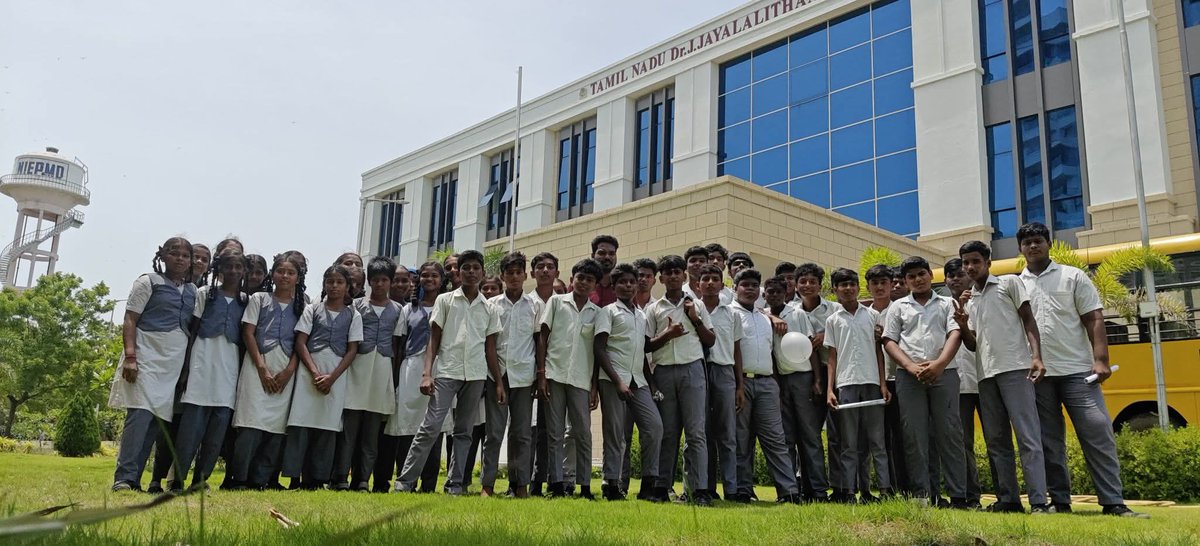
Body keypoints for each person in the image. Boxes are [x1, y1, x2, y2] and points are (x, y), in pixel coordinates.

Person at [1015, 222, 1148, 518]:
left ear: (1049, 244)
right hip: (1038, 376)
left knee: (1097, 431)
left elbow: (1094, 318)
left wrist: (1101, 360)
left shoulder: (1072, 276)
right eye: (1027, 242)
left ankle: (1113, 502)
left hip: (1078, 372)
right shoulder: (1016, 284)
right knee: (1049, 441)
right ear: (1020, 249)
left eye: (1038, 240)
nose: (1033, 246)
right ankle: (1060, 501)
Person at [394, 250, 503, 495]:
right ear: (459, 272)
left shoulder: (489, 308)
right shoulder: (445, 300)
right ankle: (405, 481)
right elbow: (433, 339)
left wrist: (497, 382)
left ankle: (455, 484)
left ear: (482, 272)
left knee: (464, 432)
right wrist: (427, 373)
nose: (471, 272)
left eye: (476, 268)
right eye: (466, 268)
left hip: (475, 375)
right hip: (446, 371)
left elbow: (490, 348)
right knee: (431, 426)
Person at [957, 240, 1051, 514]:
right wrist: (962, 325)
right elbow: (972, 344)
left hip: (1015, 369)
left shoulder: (1009, 283)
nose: (970, 267)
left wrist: (1036, 356)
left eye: (976, 261)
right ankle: (1009, 500)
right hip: (985, 375)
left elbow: (1028, 320)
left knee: (1027, 437)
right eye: (966, 263)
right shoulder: (969, 300)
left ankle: (1038, 501)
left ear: (988, 262)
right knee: (996, 440)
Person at [110, 238, 197, 492]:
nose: (180, 258)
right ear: (163, 256)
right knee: (139, 415)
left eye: (185, 255)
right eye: (174, 253)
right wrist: (131, 357)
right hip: (146, 355)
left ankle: (134, 480)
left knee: (155, 422)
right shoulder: (148, 282)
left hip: (171, 364)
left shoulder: (192, 291)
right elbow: (130, 318)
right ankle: (123, 477)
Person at [882, 256, 969, 509]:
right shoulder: (898, 307)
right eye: (911, 277)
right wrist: (909, 366)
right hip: (909, 377)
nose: (917, 280)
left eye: (921, 274)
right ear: (905, 281)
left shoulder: (947, 303)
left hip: (944, 373)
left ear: (931, 275)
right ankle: (923, 495)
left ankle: (958, 495)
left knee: (950, 433)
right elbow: (889, 340)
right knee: (914, 436)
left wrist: (939, 364)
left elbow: (955, 333)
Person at [228, 251, 307, 490]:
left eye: (291, 272)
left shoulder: (303, 305)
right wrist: (261, 368)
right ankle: (240, 478)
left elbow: (303, 341)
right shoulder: (259, 299)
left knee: (275, 427)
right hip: (257, 365)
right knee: (250, 423)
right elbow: (248, 333)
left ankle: (260, 479)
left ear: (298, 277)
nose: (285, 276)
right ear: (273, 274)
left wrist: (289, 370)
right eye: (280, 271)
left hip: (286, 368)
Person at [171, 249, 248, 492]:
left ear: (244, 271)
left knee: (216, 432)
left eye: (238, 267)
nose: (233, 271)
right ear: (219, 269)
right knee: (190, 431)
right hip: (201, 366)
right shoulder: (206, 293)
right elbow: (193, 331)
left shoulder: (245, 301)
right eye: (228, 266)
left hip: (228, 371)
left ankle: (200, 480)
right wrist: (186, 369)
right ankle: (177, 480)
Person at [282, 265, 363, 489]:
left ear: (347, 286)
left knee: (327, 425)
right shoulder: (312, 309)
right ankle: (295, 477)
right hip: (309, 372)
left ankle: (317, 478)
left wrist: (331, 378)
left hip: (336, 374)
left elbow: (352, 350)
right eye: (330, 281)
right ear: (324, 284)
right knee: (301, 422)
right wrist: (316, 373)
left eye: (339, 282)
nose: (334, 286)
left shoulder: (353, 315)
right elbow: (301, 342)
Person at [645, 254, 716, 505]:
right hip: (664, 371)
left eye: (677, 272)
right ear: (661, 279)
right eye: (668, 272)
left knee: (696, 432)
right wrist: (668, 334)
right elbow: (646, 345)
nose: (673, 276)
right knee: (668, 433)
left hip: (692, 370)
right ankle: (662, 488)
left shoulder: (696, 305)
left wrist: (694, 318)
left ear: (684, 276)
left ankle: (699, 490)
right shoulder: (654, 309)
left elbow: (710, 340)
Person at [594, 263, 666, 501]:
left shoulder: (641, 315)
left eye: (631, 282)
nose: (628, 285)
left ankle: (648, 486)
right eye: (622, 282)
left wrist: (651, 383)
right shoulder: (608, 312)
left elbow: (642, 350)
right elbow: (599, 348)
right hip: (613, 379)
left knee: (654, 427)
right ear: (614, 286)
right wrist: (617, 382)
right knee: (615, 433)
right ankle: (611, 485)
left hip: (638, 380)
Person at [730, 269, 802, 504]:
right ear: (735, 288)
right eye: (745, 285)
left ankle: (789, 492)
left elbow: (773, 352)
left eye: (754, 285)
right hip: (741, 382)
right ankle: (743, 490)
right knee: (742, 439)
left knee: (775, 439)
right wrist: (738, 385)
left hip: (767, 383)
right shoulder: (730, 313)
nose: (750, 289)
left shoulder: (764, 317)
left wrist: (775, 385)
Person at [334, 256, 405, 491]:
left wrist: (395, 378)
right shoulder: (356, 306)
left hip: (382, 372)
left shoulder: (398, 310)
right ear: (369, 281)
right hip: (357, 369)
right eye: (375, 280)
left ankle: (363, 479)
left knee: (371, 434)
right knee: (349, 430)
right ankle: (341, 477)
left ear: (391, 281)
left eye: (384, 280)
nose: (380, 284)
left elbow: (397, 345)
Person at [537, 258, 605, 499]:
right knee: (555, 433)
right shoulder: (556, 302)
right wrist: (541, 374)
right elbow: (543, 337)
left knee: (582, 433)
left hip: (581, 379)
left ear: (595, 285)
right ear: (572, 279)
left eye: (589, 280)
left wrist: (594, 386)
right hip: (554, 375)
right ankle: (556, 484)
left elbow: (597, 351)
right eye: (580, 278)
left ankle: (584, 486)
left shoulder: (597, 313)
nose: (584, 283)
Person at [377, 261, 447, 493]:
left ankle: (428, 484)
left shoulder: (448, 306)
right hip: (411, 370)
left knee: (434, 428)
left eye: (434, 275)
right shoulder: (408, 310)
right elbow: (398, 345)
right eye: (425, 275)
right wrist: (396, 376)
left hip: (439, 369)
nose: (429, 279)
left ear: (442, 280)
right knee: (407, 427)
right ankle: (406, 481)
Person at [824, 268, 892, 503]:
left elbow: (879, 352)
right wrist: (830, 389)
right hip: (846, 384)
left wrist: (883, 384)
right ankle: (849, 492)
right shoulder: (833, 320)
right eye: (843, 285)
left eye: (852, 284)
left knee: (877, 441)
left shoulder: (872, 316)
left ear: (858, 287)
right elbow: (832, 357)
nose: (848, 288)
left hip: (872, 383)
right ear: (835, 289)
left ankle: (883, 490)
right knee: (849, 443)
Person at [483, 251, 542, 498]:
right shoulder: (492, 305)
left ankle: (520, 485)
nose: (515, 277)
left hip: (524, 376)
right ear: (503, 276)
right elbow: (489, 344)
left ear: (525, 275)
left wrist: (540, 375)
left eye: (519, 272)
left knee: (521, 433)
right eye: (510, 273)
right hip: (497, 374)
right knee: (494, 433)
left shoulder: (535, 305)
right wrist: (498, 381)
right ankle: (487, 485)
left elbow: (539, 341)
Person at [766, 275, 826, 501]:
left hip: (803, 377)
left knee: (809, 435)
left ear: (786, 293)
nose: (774, 295)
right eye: (770, 292)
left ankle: (817, 490)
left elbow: (810, 347)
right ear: (765, 295)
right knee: (786, 437)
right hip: (781, 380)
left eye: (778, 292)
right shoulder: (764, 316)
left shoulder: (797, 314)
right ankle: (791, 490)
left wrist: (817, 379)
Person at [796, 262, 846, 494]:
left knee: (838, 433)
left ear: (820, 285)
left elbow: (847, 329)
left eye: (812, 282)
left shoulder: (835, 309)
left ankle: (840, 486)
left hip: (835, 373)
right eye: (803, 281)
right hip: (806, 376)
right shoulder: (792, 311)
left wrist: (826, 334)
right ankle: (811, 487)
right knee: (809, 433)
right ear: (796, 285)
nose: (807, 285)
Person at [697, 264, 743, 499]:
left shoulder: (731, 313)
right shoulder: (691, 309)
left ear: (722, 284)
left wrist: (740, 385)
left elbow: (737, 349)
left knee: (727, 433)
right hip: (698, 370)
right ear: (698, 284)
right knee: (701, 433)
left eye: (715, 279)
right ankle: (704, 487)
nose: (710, 283)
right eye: (705, 279)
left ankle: (731, 489)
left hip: (725, 372)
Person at [944, 258, 984, 510]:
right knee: (961, 443)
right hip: (956, 387)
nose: (956, 279)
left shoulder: (981, 300)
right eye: (951, 276)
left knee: (996, 440)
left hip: (985, 379)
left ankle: (1007, 497)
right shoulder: (941, 306)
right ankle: (970, 496)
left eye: (960, 274)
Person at [866, 264, 907, 496]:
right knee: (878, 438)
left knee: (900, 435)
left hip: (898, 377)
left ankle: (904, 487)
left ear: (892, 285)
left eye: (884, 282)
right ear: (868, 287)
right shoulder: (864, 314)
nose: (880, 287)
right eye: (875, 283)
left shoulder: (901, 309)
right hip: (872, 381)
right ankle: (885, 487)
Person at [528, 251, 560, 496]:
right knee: (526, 429)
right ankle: (524, 480)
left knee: (549, 428)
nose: (545, 270)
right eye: (540, 266)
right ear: (533, 273)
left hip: (554, 373)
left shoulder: (563, 302)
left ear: (557, 272)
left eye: (550, 267)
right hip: (525, 371)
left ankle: (544, 478)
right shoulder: (526, 302)